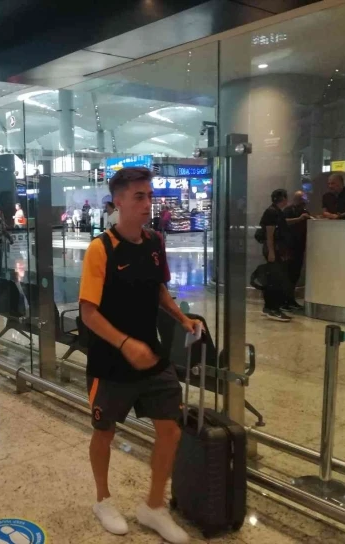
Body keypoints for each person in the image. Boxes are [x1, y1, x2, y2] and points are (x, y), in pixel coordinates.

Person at [80, 166, 200, 543]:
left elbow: (158, 289)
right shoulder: (101, 249)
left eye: (149, 196)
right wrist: (124, 343)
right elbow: (88, 312)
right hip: (110, 361)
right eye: (139, 196)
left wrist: (181, 317)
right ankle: (103, 500)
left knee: (170, 430)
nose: (148, 203)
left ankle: (153, 506)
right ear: (118, 201)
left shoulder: (154, 242)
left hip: (152, 355)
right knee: (104, 432)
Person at [259, 189, 293, 322]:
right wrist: (271, 251)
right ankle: (273, 308)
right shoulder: (272, 212)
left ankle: (270, 307)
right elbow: (270, 234)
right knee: (275, 280)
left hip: (276, 249)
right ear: (283, 199)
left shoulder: (276, 211)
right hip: (273, 249)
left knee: (274, 278)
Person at [282, 191, 311, 310]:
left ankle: (291, 299)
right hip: (289, 247)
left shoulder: (305, 211)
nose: (304, 202)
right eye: (302, 199)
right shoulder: (288, 210)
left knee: (295, 274)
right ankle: (284, 301)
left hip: (300, 247)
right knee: (287, 274)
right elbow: (283, 222)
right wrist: (299, 219)